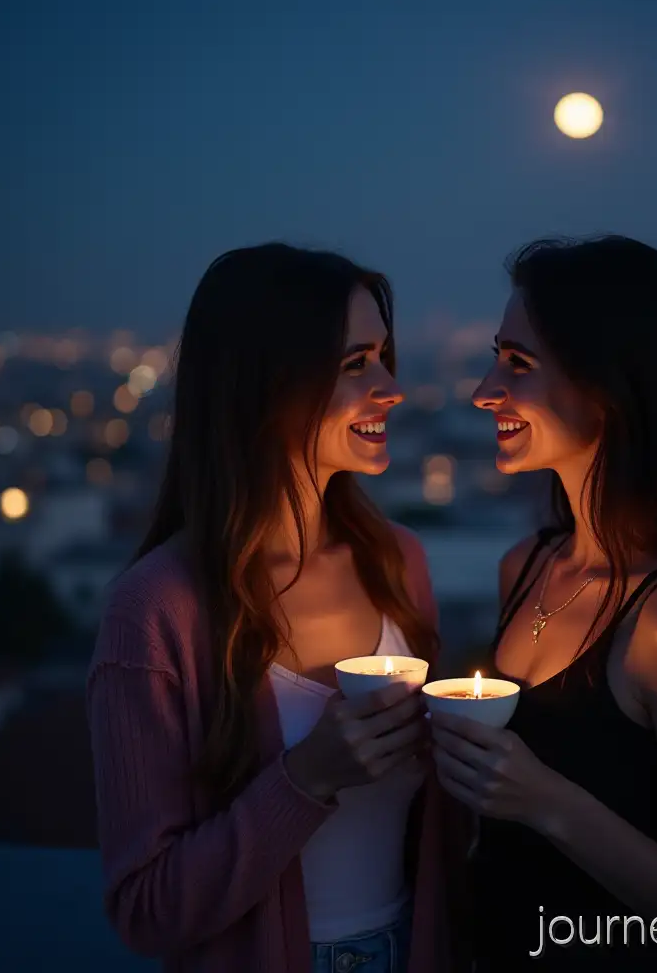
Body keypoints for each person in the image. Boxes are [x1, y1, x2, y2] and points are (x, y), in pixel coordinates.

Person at [86, 243, 463, 973]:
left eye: (384, 358)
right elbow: (145, 908)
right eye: (356, 365)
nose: (391, 388)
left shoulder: (399, 565)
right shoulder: (155, 613)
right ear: (266, 382)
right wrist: (306, 777)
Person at [430, 236, 657, 970]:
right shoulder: (524, 569)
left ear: (608, 388)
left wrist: (547, 802)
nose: (484, 391)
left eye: (518, 364)